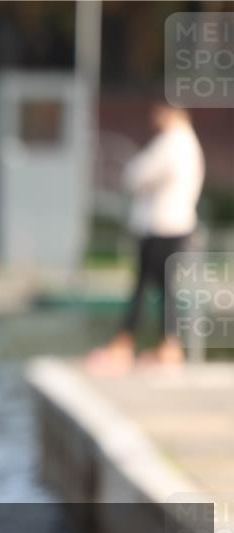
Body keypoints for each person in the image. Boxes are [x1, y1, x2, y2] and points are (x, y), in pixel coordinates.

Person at [87, 103, 205, 374]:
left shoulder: (173, 142)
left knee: (144, 289)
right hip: (173, 223)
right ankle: (166, 346)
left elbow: (136, 175)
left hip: (162, 225)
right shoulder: (187, 143)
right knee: (163, 289)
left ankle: (125, 345)